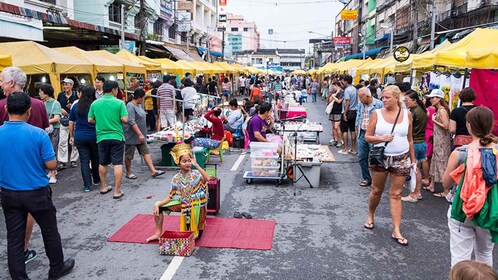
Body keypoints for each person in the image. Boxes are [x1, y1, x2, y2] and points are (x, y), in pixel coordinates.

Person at [0, 93, 75, 280]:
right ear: (29, 111)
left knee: (15, 237)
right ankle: (57, 267)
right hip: (36, 192)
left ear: (6, 109)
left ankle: (19, 276)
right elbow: (51, 164)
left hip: (8, 193)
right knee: (49, 231)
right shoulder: (38, 134)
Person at [0, 66, 50, 265]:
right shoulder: (38, 104)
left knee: (13, 220)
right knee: (42, 220)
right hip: (35, 173)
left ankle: (18, 257)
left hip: (8, 175)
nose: (1, 84)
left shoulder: (2, 105)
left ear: (11, 83)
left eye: (2, 80)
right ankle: (24, 249)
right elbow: (46, 130)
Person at [443, 106, 498, 267]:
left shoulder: (460, 153)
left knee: (460, 257)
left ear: (469, 125)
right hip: (489, 209)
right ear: (491, 125)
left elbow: (446, 183)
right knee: (485, 254)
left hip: (462, 208)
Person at [364, 85, 414, 246]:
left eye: (387, 97)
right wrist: (382, 138)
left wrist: (413, 161)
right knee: (377, 190)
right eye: (383, 97)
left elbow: (410, 138)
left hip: (401, 157)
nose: (384, 100)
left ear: (397, 98)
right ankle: (371, 215)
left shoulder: (407, 115)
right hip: (380, 157)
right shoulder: (376, 114)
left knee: (396, 194)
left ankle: (396, 229)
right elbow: (367, 137)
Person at [145, 143, 210, 243]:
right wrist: (158, 204)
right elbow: (170, 196)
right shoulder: (176, 178)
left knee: (195, 236)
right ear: (178, 162)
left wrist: (196, 165)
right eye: (184, 161)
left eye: (189, 161)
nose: (187, 163)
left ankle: (197, 226)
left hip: (198, 207)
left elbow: (207, 178)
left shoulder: (196, 174)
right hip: (183, 204)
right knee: (158, 206)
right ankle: (158, 233)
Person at [88, 80, 129, 199]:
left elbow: (90, 120)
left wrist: (100, 122)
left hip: (101, 136)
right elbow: (125, 119)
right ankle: (117, 191)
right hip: (117, 136)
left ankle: (104, 187)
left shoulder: (95, 103)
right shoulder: (119, 103)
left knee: (102, 162)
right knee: (117, 163)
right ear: (113, 90)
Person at [124, 88, 165, 180]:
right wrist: (139, 134)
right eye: (143, 98)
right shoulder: (130, 106)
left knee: (145, 152)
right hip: (132, 135)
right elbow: (131, 121)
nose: (143, 100)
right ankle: (128, 172)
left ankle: (153, 171)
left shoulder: (139, 105)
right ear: (139, 97)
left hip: (141, 135)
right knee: (129, 155)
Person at [69, 85, 100, 192]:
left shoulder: (76, 106)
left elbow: (71, 122)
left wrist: (72, 136)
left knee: (84, 161)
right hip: (94, 135)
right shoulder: (96, 105)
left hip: (80, 136)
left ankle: (87, 185)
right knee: (96, 159)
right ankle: (97, 179)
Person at [401, 90, 428, 203]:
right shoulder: (422, 110)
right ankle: (418, 192)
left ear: (414, 100)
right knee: (417, 169)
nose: (405, 102)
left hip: (414, 143)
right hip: (421, 142)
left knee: (413, 169)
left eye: (406, 100)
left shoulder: (412, 113)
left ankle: (414, 194)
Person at [425, 89, 451, 197]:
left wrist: (434, 120)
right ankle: (432, 185)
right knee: (435, 160)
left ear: (439, 98)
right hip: (437, 138)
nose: (431, 99)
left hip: (442, 140)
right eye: (431, 98)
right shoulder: (439, 110)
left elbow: (446, 126)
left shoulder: (442, 111)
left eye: (433, 97)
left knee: (442, 161)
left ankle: (446, 189)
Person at [355, 87, 383, 187]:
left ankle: (375, 180)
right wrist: (357, 130)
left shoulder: (378, 104)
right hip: (362, 132)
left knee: (374, 157)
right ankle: (366, 178)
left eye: (361, 97)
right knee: (362, 156)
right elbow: (358, 117)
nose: (360, 99)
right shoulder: (360, 104)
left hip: (374, 134)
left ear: (368, 96)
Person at [38, 83, 62, 185]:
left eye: (41, 92)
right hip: (45, 130)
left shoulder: (55, 103)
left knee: (52, 150)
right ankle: (51, 171)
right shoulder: (42, 103)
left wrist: (45, 121)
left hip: (54, 130)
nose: (39, 94)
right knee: (45, 151)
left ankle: (53, 174)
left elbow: (57, 118)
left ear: (46, 93)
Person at [56, 77, 79, 170]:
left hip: (74, 120)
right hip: (64, 119)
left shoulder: (76, 95)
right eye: (64, 84)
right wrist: (61, 109)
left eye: (67, 84)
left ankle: (74, 160)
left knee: (74, 140)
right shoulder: (60, 95)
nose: (65, 86)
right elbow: (57, 105)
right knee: (62, 141)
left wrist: (72, 108)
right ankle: (62, 161)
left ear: (71, 85)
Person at [339, 75, 358, 155]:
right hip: (354, 111)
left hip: (348, 111)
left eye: (343, 81)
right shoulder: (355, 89)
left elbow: (347, 103)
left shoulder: (347, 90)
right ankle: (353, 148)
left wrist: (345, 114)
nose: (342, 82)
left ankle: (346, 148)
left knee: (345, 130)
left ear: (346, 81)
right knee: (353, 130)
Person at [422, 99, 436, 187]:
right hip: (435, 133)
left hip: (427, 133)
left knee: (426, 157)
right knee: (431, 157)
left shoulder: (427, 110)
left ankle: (427, 177)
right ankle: (431, 176)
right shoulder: (439, 110)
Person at [328, 81, 344, 147]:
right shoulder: (335, 92)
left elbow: (339, 101)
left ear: (337, 85)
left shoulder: (342, 92)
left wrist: (333, 96)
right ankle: (335, 140)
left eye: (333, 86)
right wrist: (333, 95)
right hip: (333, 111)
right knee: (333, 127)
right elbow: (330, 100)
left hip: (338, 111)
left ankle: (340, 141)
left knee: (337, 127)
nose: (333, 88)